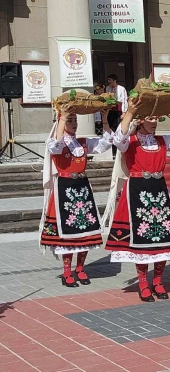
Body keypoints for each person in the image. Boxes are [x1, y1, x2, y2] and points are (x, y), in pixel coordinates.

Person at [102, 96, 170, 302]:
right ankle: (143, 282)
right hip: (137, 190)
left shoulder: (161, 141)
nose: (154, 122)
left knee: (162, 238)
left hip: (158, 192)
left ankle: (159, 281)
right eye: (150, 118)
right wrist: (131, 113)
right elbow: (118, 139)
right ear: (141, 120)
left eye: (157, 119)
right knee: (141, 240)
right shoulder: (130, 142)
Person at [39, 107, 113, 287]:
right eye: (70, 120)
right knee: (67, 234)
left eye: (75, 121)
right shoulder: (56, 142)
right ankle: (67, 272)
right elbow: (55, 147)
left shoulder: (83, 142)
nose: (74, 124)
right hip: (64, 189)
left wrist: (104, 119)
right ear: (61, 122)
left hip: (82, 188)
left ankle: (80, 268)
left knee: (85, 231)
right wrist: (62, 118)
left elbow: (107, 142)